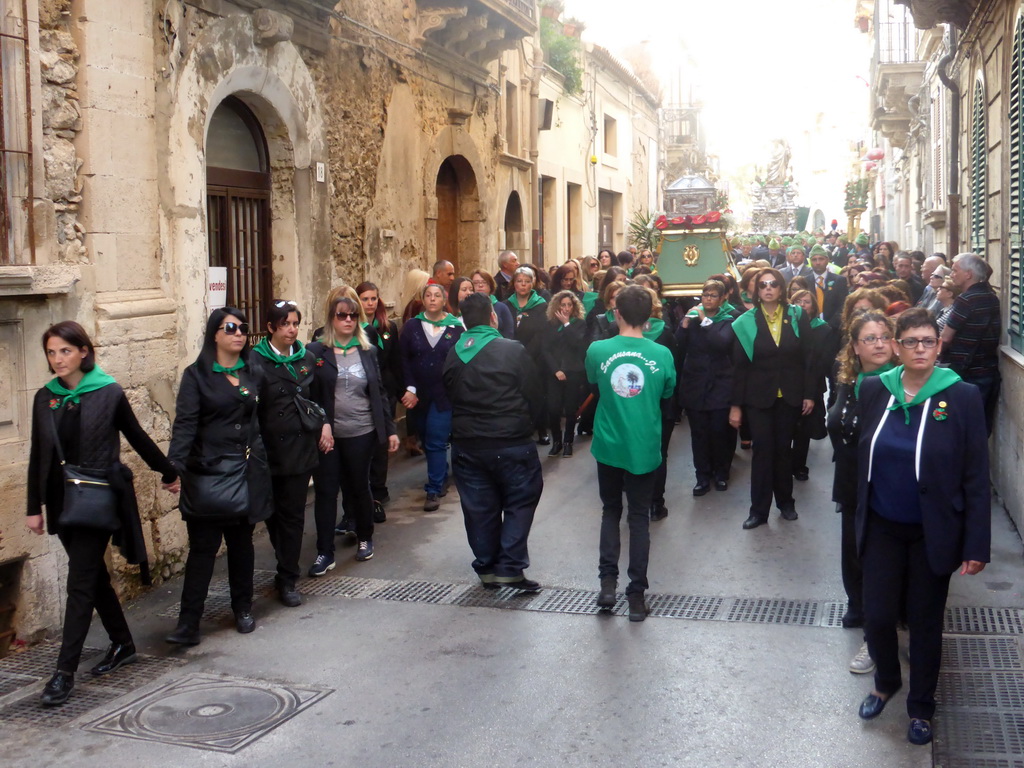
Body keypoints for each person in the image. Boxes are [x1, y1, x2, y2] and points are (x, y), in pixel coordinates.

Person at [855, 308, 990, 746]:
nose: (919, 349)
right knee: (876, 617)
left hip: (934, 530)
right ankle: (886, 681)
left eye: (927, 341)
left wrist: (976, 543)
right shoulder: (876, 389)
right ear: (896, 346)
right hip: (881, 525)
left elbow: (975, 475)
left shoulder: (962, 395)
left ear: (938, 345)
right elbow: (858, 458)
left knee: (926, 622)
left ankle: (921, 706)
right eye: (910, 341)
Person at [27, 321, 179, 706]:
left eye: (65, 350)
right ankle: (124, 643)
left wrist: (169, 471)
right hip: (62, 502)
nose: (58, 359)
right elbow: (38, 454)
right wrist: (33, 507)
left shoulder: (107, 391)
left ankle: (64, 673)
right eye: (51, 352)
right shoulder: (45, 397)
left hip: (96, 499)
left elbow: (138, 436)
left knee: (78, 583)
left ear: (83, 351)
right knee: (92, 578)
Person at [168, 308, 273, 646]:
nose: (238, 334)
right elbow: (185, 425)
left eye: (243, 328)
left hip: (245, 470)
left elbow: (266, 417)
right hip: (207, 473)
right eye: (230, 328)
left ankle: (243, 608)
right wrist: (175, 468)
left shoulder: (253, 371)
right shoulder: (197, 375)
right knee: (202, 549)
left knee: (242, 544)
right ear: (215, 333)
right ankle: (188, 624)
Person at [443, 293, 545, 591]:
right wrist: (527, 424)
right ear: (493, 317)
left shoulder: (453, 353)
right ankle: (510, 567)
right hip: (511, 441)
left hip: (467, 444)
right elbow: (535, 394)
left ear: (464, 321)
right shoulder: (512, 350)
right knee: (520, 501)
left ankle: (487, 565)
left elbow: (448, 393)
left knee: (479, 507)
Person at [587, 285, 677, 622]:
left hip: (609, 444)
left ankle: (607, 584)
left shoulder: (598, 349)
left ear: (617, 313)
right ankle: (636, 595)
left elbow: (594, 382)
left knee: (610, 510)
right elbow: (667, 390)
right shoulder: (662, 354)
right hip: (644, 444)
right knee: (639, 518)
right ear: (651, 316)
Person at [307, 295, 399, 573]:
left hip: (362, 431)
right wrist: (321, 423)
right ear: (331, 319)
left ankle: (365, 537)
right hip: (328, 436)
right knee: (325, 492)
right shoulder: (316, 351)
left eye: (353, 315)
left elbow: (379, 393)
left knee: (359, 486)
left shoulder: (367, 350)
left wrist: (391, 430)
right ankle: (324, 552)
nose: (348, 320)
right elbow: (310, 396)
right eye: (341, 315)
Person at [827, 311, 897, 676]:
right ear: (855, 347)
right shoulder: (848, 380)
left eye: (885, 336)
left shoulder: (901, 383)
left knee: (877, 561)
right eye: (870, 338)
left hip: (886, 486)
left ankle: (876, 636)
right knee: (853, 552)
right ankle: (860, 608)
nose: (879, 343)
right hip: (851, 479)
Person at [249, 300, 322, 607]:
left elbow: (317, 399)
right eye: (285, 324)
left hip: (299, 449)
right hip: (267, 451)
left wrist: (325, 425)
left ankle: (288, 576)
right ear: (270, 328)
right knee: (272, 515)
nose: (292, 330)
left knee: (292, 515)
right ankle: (284, 561)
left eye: (295, 323)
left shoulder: (307, 358)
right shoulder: (256, 361)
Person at [729, 268, 814, 529]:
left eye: (773, 284)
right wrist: (735, 406)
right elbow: (739, 367)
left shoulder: (796, 315)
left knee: (783, 452)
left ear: (781, 288)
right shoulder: (745, 321)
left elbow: (809, 358)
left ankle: (786, 503)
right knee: (763, 451)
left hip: (789, 395)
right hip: (759, 398)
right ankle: (758, 511)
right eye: (763, 284)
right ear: (756, 290)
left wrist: (810, 394)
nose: (768, 288)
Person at [400, 283, 464, 510]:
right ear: (423, 299)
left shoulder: (456, 328)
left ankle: (434, 489)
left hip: (444, 394)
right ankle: (441, 475)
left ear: (444, 299)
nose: (433, 299)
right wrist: (410, 388)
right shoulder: (412, 327)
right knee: (426, 437)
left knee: (436, 440)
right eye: (429, 295)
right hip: (419, 394)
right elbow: (404, 360)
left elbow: (461, 360)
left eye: (437, 295)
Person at [677, 279, 739, 496]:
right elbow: (679, 346)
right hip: (695, 382)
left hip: (721, 382)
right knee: (699, 433)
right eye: (705, 295)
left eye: (713, 296)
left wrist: (704, 321)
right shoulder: (692, 317)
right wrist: (684, 325)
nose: (708, 299)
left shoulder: (730, 318)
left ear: (722, 298)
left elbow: (722, 343)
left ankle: (721, 473)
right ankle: (702, 476)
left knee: (719, 431)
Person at [940, 252, 1001, 435]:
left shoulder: (966, 300)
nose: (951, 274)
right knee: (979, 426)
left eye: (955, 270)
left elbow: (946, 337)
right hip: (987, 370)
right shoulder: (991, 297)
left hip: (967, 372)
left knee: (960, 426)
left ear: (968, 274)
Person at [357, 281, 402, 515]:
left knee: (381, 441)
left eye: (373, 298)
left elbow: (395, 360)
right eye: (365, 299)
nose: (370, 303)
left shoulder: (388, 327)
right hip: (361, 393)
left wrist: (402, 390)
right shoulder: (353, 328)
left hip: (385, 390)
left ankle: (379, 488)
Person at [789, 290, 839, 481]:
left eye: (806, 302)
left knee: (803, 428)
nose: (802, 305)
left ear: (814, 306)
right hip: (788, 383)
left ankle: (800, 466)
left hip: (812, 384)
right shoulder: (786, 327)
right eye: (797, 301)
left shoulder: (823, 329)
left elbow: (824, 360)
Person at [540, 290, 589, 457]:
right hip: (555, 372)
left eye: (569, 305)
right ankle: (557, 441)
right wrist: (556, 370)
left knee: (570, 410)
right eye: (563, 305)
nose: (566, 308)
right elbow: (545, 349)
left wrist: (567, 324)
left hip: (573, 371)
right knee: (553, 409)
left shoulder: (580, 323)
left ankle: (568, 441)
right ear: (556, 306)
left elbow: (578, 344)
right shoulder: (549, 324)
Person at [808, 245, 849, 327]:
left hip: (833, 330)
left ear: (827, 260)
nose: (818, 262)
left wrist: (829, 326)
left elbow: (843, 306)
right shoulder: (805, 281)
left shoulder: (839, 281)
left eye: (821, 259)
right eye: (814, 259)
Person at [470, 268, 515, 338]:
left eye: (484, 282)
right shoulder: (467, 307)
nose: (480, 285)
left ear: (490, 286)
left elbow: (509, 333)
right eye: (476, 283)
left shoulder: (502, 307)